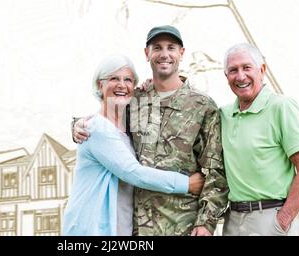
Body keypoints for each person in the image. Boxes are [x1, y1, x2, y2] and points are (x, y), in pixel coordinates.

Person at [72, 25, 229, 236]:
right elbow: (104, 125)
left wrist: (206, 223)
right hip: (135, 229)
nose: (164, 54)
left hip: (182, 226)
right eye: (157, 48)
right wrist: (76, 125)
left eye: (171, 47)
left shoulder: (202, 106)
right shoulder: (133, 100)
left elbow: (215, 171)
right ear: (147, 54)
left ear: (181, 53)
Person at [62, 55, 205, 236]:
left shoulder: (127, 126)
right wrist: (187, 183)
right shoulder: (97, 128)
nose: (122, 85)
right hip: (91, 227)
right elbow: (134, 173)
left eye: (128, 80)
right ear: (100, 85)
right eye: (114, 78)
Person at [220, 43, 299, 236]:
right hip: (232, 221)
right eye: (233, 70)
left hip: (270, 220)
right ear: (226, 77)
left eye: (247, 68)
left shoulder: (282, 107)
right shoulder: (223, 115)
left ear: (262, 70)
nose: (240, 76)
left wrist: (281, 222)